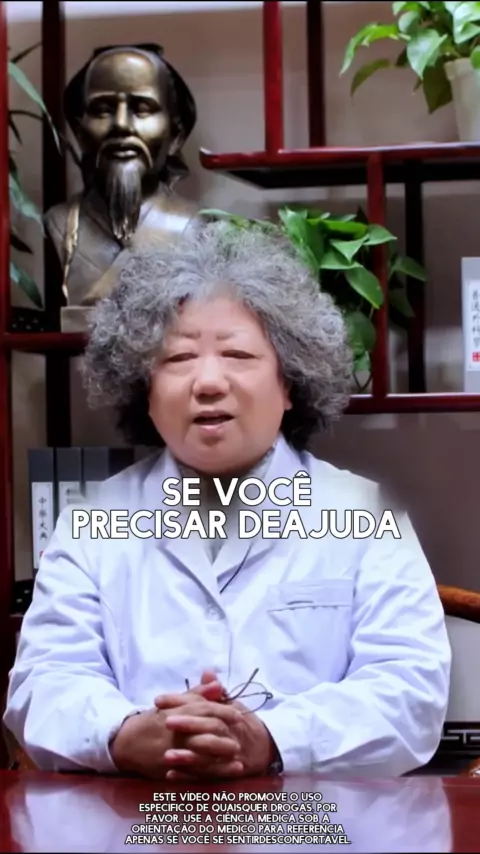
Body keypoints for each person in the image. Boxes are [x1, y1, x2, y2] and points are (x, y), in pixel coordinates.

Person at [3, 222, 451, 780]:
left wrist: (270, 738)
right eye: (179, 359)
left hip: (316, 816)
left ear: (290, 384)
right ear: (144, 390)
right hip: (135, 814)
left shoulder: (366, 516)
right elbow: (43, 684)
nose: (208, 382)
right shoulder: (92, 522)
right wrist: (126, 733)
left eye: (238, 354)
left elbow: (410, 692)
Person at [45, 43, 197, 328]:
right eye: (103, 109)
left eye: (142, 109)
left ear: (176, 135)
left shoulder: (200, 226)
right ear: (79, 132)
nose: (122, 125)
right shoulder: (59, 223)